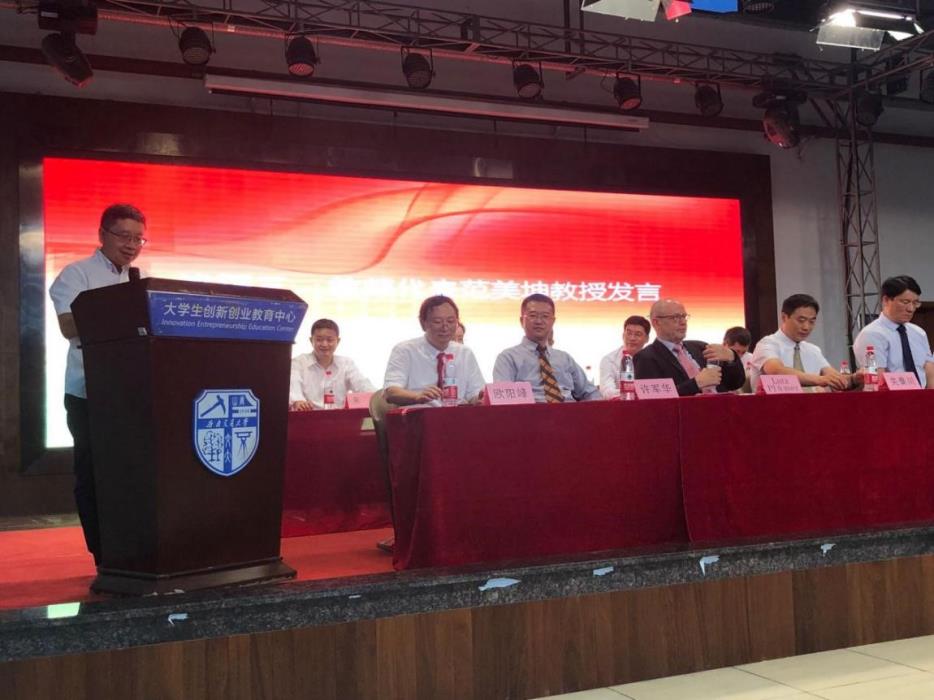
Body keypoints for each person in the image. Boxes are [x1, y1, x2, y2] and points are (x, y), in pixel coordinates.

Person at [48, 203, 148, 565]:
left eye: (138, 238)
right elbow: (68, 326)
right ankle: (103, 555)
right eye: (124, 236)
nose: (132, 245)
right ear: (102, 234)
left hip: (130, 394)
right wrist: (122, 312)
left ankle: (130, 549)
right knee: (93, 474)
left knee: (129, 473)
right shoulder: (77, 275)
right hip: (88, 394)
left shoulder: (138, 278)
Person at [493, 293, 599, 402]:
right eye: (533, 315)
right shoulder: (507, 358)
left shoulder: (565, 358)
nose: (539, 321)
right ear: (521, 321)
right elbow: (503, 401)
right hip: (529, 411)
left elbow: (591, 392)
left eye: (545, 316)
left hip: (568, 410)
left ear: (553, 321)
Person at [383, 295, 485, 406]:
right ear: (423, 323)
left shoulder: (465, 353)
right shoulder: (405, 351)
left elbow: (475, 393)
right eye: (437, 322)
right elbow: (391, 392)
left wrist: (479, 399)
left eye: (450, 321)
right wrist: (417, 396)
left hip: (456, 415)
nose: (445, 327)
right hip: (418, 414)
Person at [634, 299, 744, 396]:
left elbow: (735, 383)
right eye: (675, 317)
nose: (683, 322)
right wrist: (696, 384)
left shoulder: (701, 347)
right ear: (656, 322)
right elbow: (654, 398)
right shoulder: (646, 358)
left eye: (684, 316)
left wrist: (732, 357)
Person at [749, 293, 851, 392]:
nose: (806, 327)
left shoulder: (813, 350)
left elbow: (833, 377)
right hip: (774, 403)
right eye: (801, 320)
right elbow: (776, 371)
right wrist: (819, 380)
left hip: (814, 403)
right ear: (784, 317)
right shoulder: (767, 344)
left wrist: (854, 378)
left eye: (811, 322)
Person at [853, 275, 934, 388]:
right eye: (905, 302)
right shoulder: (872, 334)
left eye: (915, 303)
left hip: (921, 397)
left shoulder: (919, 333)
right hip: (891, 397)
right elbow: (877, 379)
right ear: (886, 300)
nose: (911, 309)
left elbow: (929, 370)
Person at [289, 319, 375, 410]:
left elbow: (362, 385)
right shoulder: (298, 363)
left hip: (339, 417)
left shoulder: (346, 364)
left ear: (338, 341)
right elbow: (294, 389)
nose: (324, 344)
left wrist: (378, 397)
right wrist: (298, 401)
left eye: (329, 340)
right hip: (308, 416)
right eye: (319, 340)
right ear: (311, 340)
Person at [599, 315, 651, 399]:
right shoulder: (609, 360)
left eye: (638, 334)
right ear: (623, 335)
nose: (632, 338)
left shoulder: (653, 359)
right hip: (620, 405)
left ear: (647, 339)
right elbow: (607, 391)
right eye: (629, 333)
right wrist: (633, 393)